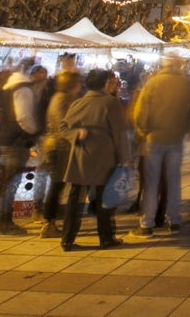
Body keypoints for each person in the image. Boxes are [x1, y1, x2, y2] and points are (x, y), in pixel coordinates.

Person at [60, 68, 131, 251]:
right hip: (104, 157)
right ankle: (106, 237)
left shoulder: (78, 103)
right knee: (105, 200)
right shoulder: (110, 103)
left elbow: (63, 127)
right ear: (104, 84)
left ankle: (67, 239)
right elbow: (119, 134)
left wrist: (76, 134)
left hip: (81, 156)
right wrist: (125, 158)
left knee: (75, 199)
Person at [131, 55, 190, 237]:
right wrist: (185, 128)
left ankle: (147, 224)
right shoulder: (186, 85)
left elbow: (141, 111)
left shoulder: (153, 83)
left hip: (154, 137)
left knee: (152, 182)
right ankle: (174, 220)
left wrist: (143, 131)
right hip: (176, 138)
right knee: (173, 180)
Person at [0, 58, 44, 235]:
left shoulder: (9, 86)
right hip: (17, 139)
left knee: (4, 178)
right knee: (11, 180)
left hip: (6, 137)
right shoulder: (23, 88)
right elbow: (24, 117)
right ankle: (5, 221)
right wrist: (34, 132)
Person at [40, 70, 83, 239]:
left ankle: (52, 219)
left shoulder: (61, 98)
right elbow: (64, 124)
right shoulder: (62, 99)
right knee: (57, 184)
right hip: (59, 147)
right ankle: (48, 222)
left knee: (58, 185)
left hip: (59, 145)